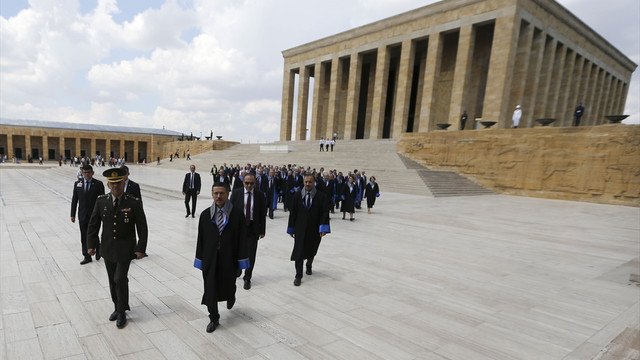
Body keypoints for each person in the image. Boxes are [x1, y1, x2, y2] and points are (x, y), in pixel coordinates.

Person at [87, 168, 148, 329]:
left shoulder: (133, 202)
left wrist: (140, 248)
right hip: (107, 248)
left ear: (123, 183)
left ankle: (121, 312)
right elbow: (93, 225)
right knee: (112, 281)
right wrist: (91, 245)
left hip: (125, 249)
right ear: (108, 185)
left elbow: (142, 227)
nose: (116, 187)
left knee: (119, 279)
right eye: (113, 184)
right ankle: (117, 306)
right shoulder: (101, 201)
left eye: (119, 183)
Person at [194, 182, 249, 332]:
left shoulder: (236, 214)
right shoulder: (205, 215)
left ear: (227, 194)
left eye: (222, 193)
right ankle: (213, 317)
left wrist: (241, 262)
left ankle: (231, 295)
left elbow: (242, 239)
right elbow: (201, 239)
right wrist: (200, 260)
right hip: (210, 259)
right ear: (212, 194)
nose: (218, 196)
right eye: (216, 193)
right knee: (210, 287)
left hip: (229, 258)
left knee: (228, 284)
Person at [286, 174, 331, 286]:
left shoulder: (320, 196)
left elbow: (324, 212)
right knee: (299, 252)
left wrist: (323, 228)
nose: (307, 184)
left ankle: (309, 263)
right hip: (300, 229)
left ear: (314, 182)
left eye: (310, 182)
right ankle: (298, 275)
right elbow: (293, 213)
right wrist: (291, 229)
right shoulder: (297, 196)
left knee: (312, 249)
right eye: (306, 182)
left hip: (314, 228)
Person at [230, 173, 266, 290]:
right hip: (238, 228)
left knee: (251, 254)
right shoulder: (236, 193)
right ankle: (238, 268)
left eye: (251, 183)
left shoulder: (260, 195)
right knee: (236, 251)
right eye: (247, 183)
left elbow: (262, 214)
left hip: (252, 228)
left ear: (255, 183)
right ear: (243, 182)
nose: (249, 185)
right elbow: (229, 210)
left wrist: (262, 230)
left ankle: (247, 277)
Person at [71, 164, 105, 265]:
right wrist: (72, 214)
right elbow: (74, 200)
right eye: (84, 173)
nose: (86, 174)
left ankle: (98, 250)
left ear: (92, 173)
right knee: (83, 236)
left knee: (94, 234)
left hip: (95, 215)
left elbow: (102, 200)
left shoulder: (98, 184)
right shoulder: (78, 184)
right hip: (82, 214)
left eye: (88, 172)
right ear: (82, 173)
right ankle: (86, 256)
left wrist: (102, 214)